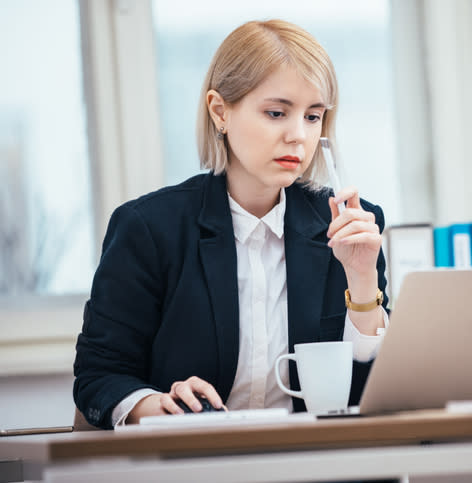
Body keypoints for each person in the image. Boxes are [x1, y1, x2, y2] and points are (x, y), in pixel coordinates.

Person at [73, 19, 389, 429]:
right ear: (220, 112)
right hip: (194, 464)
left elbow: (368, 394)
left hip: (316, 462)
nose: (298, 136)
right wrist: (159, 406)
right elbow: (99, 376)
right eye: (277, 113)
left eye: (313, 117)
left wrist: (362, 280)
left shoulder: (349, 226)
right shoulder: (149, 229)